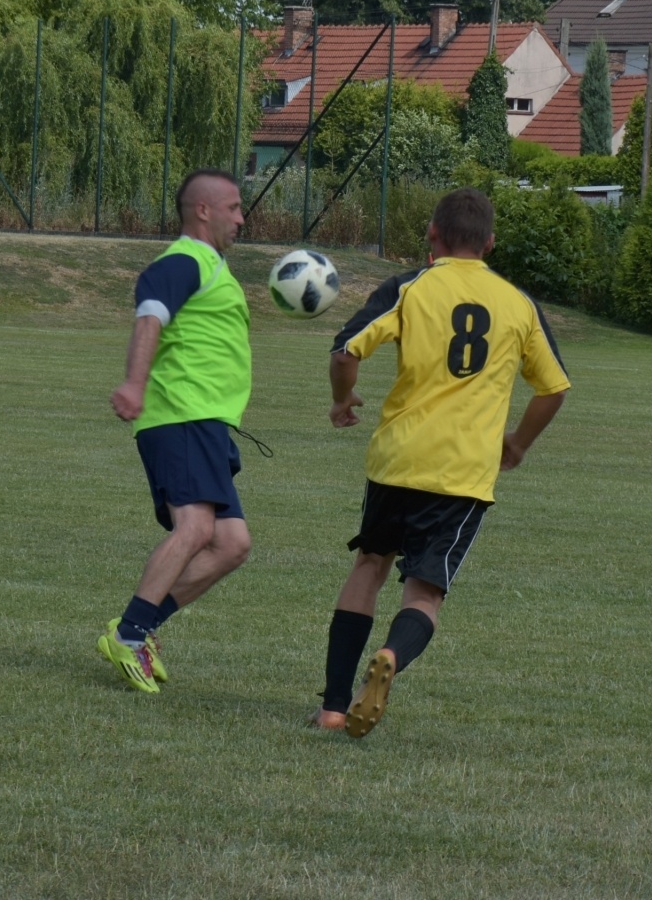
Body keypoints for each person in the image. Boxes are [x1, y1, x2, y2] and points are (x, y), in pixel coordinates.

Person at [313, 187, 570, 738]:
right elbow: (553, 388)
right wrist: (518, 442)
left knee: (369, 567)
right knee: (424, 594)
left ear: (432, 235)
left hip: (397, 461)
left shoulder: (410, 286)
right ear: (491, 243)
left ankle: (333, 707)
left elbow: (344, 351)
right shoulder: (517, 303)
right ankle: (391, 656)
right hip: (463, 475)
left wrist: (342, 399)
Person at [99, 169, 254, 694]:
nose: (241, 217)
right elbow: (150, 316)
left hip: (205, 422)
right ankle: (128, 635)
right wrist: (134, 383)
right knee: (194, 531)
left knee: (231, 544)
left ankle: (139, 631)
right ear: (203, 211)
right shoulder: (184, 260)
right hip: (179, 415)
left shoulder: (211, 265)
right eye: (233, 207)